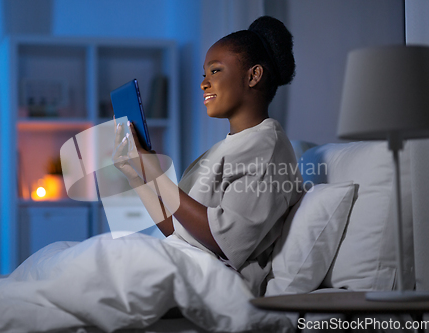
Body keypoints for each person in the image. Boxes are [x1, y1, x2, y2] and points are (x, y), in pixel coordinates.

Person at [113, 15, 303, 297]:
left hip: (214, 283)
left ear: (253, 75)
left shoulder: (268, 148)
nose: (203, 83)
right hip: (183, 263)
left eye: (215, 71)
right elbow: (177, 229)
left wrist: (152, 171)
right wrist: (137, 175)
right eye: (204, 74)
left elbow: (223, 240)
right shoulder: (223, 149)